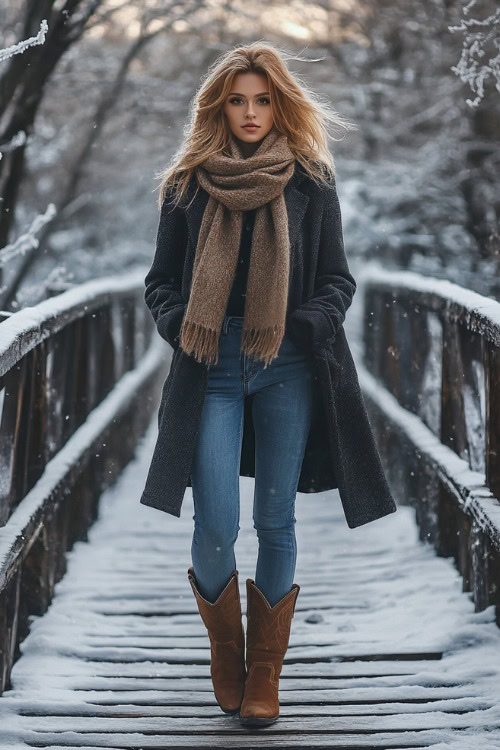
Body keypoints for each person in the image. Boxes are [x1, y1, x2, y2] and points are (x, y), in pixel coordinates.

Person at [148, 41, 360, 727]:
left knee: (276, 519)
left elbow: (337, 280)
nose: (249, 112)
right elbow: (158, 283)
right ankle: (226, 655)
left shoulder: (311, 181)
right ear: (218, 105)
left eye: (262, 99)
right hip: (210, 363)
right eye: (237, 100)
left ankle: (264, 673)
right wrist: (182, 320)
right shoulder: (186, 185)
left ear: (281, 104)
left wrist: (308, 322)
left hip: (288, 364)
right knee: (215, 522)